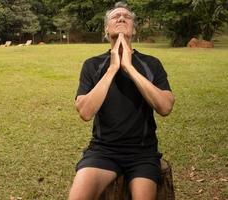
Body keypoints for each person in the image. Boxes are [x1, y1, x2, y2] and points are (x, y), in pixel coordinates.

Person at [68, 2, 175, 200]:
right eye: (115, 16)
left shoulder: (151, 63)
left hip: (143, 153)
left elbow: (165, 106)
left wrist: (129, 67)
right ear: (106, 29)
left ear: (133, 29)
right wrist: (112, 68)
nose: (121, 18)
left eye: (127, 16)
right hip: (102, 151)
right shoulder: (92, 65)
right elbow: (85, 111)